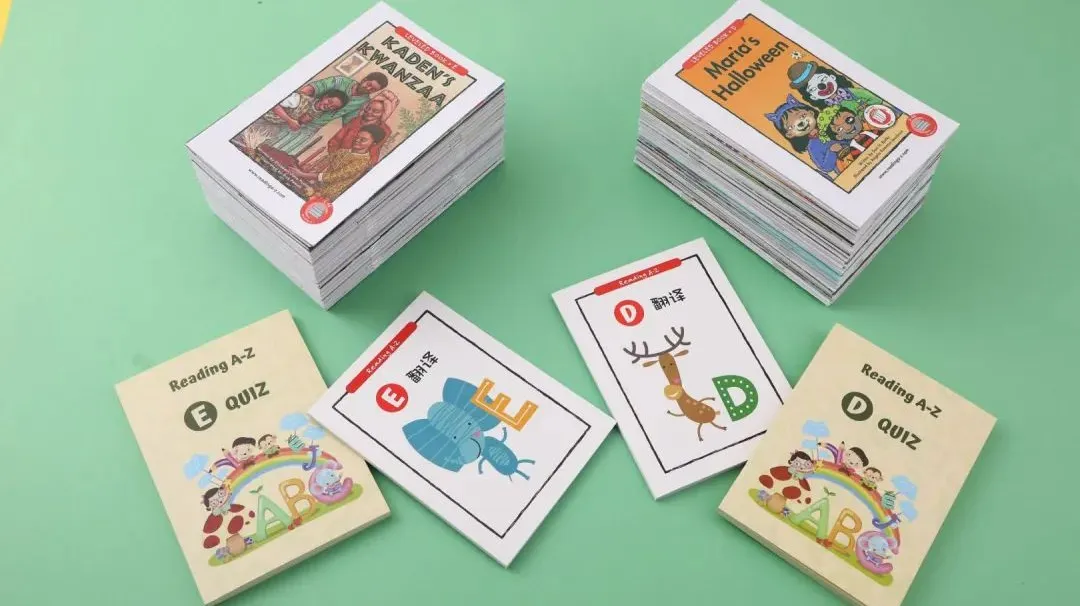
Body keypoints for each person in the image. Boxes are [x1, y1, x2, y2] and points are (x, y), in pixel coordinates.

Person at [269, 72, 389, 157]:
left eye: (373, 89)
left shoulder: (363, 102)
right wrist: (297, 111)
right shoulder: (341, 81)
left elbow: (349, 122)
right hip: (295, 115)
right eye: (369, 84)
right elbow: (310, 89)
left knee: (283, 151)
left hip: (311, 128)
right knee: (269, 141)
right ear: (364, 79)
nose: (368, 89)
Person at [287, 124, 387, 200]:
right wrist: (308, 168)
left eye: (363, 140)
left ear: (373, 143)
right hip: (315, 188)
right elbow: (325, 160)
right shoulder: (343, 151)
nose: (357, 140)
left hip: (328, 196)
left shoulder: (362, 162)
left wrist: (302, 175)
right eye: (357, 137)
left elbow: (332, 177)